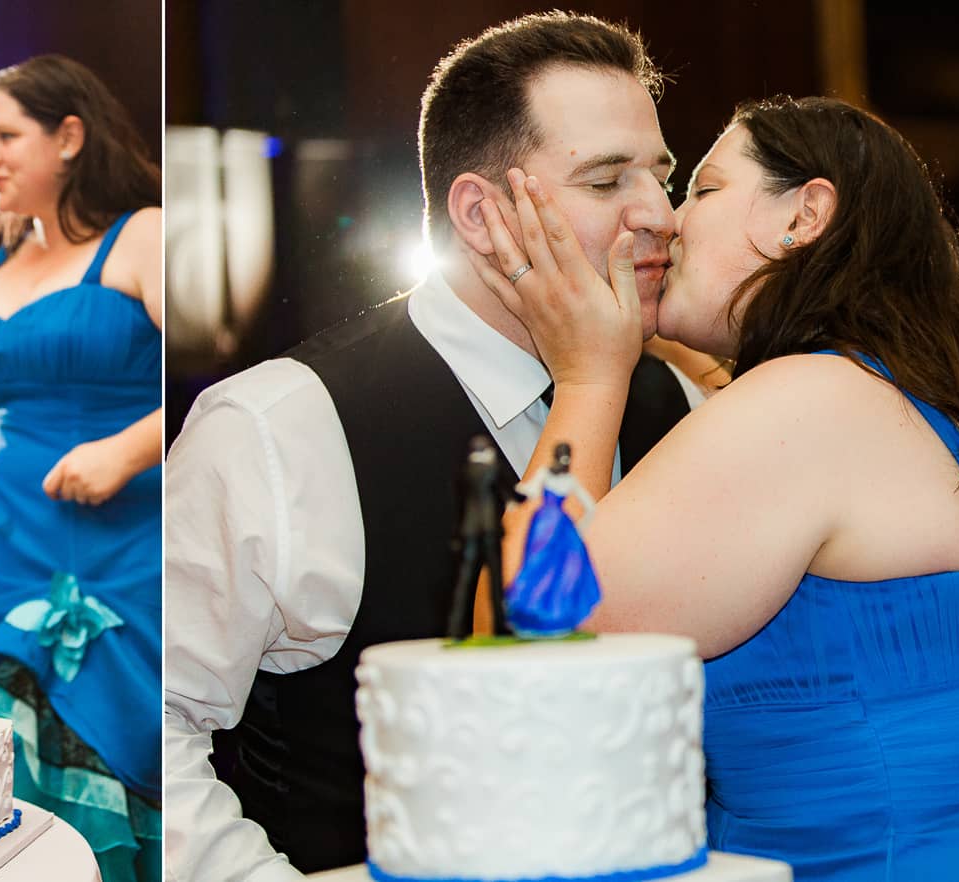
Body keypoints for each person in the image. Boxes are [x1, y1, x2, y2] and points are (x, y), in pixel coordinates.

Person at [478, 96, 959, 879]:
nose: (668, 223)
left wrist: (587, 374)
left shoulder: (805, 405)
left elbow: (527, 636)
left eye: (701, 191)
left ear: (805, 216)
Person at [164, 12, 704, 879]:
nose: (661, 215)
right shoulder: (275, 428)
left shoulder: (673, 400)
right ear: (482, 215)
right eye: (607, 182)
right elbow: (158, 725)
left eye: (662, 175)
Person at [0, 54, 162, 882]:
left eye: (6, 136)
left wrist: (127, 449)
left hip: (114, 539)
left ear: (70, 137)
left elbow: (214, 387)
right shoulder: (8, 253)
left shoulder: (145, 235)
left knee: (49, 741)